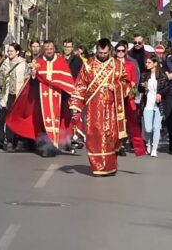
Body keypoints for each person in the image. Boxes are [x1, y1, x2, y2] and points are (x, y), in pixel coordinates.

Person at [70, 39, 132, 176]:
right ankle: (98, 167)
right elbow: (80, 85)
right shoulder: (88, 65)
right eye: (100, 52)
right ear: (96, 50)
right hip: (94, 108)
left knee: (113, 136)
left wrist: (116, 87)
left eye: (104, 53)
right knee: (95, 136)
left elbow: (126, 83)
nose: (102, 55)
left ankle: (110, 165)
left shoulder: (117, 65)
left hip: (112, 108)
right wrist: (75, 105)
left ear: (109, 50)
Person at [5, 39, 76, 157]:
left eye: (51, 49)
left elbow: (67, 80)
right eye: (46, 49)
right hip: (41, 99)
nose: (49, 51)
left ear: (54, 50)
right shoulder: (37, 61)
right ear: (44, 50)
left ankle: (54, 144)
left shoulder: (61, 61)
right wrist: (33, 74)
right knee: (42, 123)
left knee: (56, 122)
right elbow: (31, 81)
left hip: (57, 98)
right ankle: (45, 145)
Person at [0, 43, 28, 152]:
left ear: (17, 52)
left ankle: (19, 141)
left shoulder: (23, 64)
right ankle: (9, 141)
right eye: (8, 51)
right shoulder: (4, 64)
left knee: (18, 118)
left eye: (12, 51)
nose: (9, 53)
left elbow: (27, 79)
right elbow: (0, 77)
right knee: (7, 117)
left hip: (19, 94)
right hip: (7, 94)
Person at [115, 42, 145, 156]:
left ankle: (122, 144)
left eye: (123, 50)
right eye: (118, 50)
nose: (120, 53)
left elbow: (134, 81)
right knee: (116, 121)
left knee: (128, 122)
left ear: (126, 51)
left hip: (128, 97)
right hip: (115, 97)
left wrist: (131, 89)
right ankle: (115, 145)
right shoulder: (112, 63)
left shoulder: (130, 64)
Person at [140, 55, 165, 156]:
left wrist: (160, 93)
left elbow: (165, 88)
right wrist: (142, 86)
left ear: (155, 63)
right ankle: (148, 143)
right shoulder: (144, 75)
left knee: (156, 127)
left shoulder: (162, 76)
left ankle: (154, 148)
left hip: (158, 105)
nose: (147, 64)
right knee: (148, 128)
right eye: (146, 62)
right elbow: (139, 89)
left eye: (149, 62)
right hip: (147, 104)